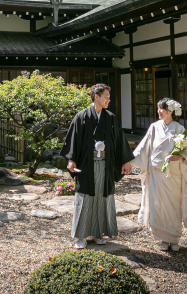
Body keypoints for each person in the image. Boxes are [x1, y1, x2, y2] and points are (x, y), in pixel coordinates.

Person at [59, 83, 135, 250]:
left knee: (103, 198)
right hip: (87, 165)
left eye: (109, 97)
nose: (109, 100)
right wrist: (71, 159)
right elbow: (73, 140)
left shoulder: (110, 118)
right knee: (85, 198)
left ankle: (99, 233)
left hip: (105, 165)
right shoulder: (81, 116)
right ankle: (81, 236)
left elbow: (119, 140)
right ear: (96, 97)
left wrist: (125, 160)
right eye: (106, 97)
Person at [131, 98, 187, 251]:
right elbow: (143, 147)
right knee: (157, 203)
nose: (158, 111)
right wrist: (129, 160)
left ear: (171, 111)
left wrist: (179, 156)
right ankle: (163, 239)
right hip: (156, 173)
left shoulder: (179, 128)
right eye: (158, 108)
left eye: (162, 109)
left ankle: (174, 238)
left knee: (173, 205)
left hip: (173, 173)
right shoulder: (154, 127)